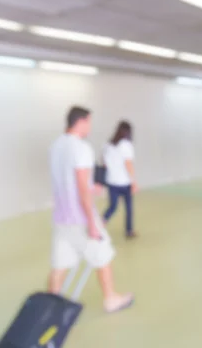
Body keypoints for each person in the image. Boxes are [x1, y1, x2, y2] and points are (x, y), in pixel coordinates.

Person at [48, 106, 133, 313]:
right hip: (80, 218)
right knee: (104, 256)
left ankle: (50, 307)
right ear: (82, 121)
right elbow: (80, 189)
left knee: (60, 265)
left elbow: (70, 180)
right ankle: (111, 299)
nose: (90, 127)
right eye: (90, 122)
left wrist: (89, 187)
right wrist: (92, 225)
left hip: (61, 217)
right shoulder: (81, 148)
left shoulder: (56, 146)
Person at [103, 121, 138, 239]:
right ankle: (129, 231)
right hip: (125, 182)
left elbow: (104, 164)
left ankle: (99, 227)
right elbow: (128, 164)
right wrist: (134, 182)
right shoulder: (126, 145)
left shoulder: (108, 145)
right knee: (129, 208)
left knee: (112, 207)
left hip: (111, 181)